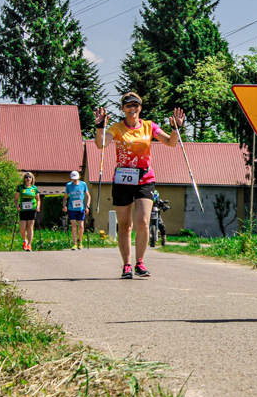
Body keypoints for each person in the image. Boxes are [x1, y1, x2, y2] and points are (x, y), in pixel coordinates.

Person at [94, 93, 185, 279]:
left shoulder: (149, 126)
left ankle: (140, 262)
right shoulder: (117, 127)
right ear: (123, 109)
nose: (132, 109)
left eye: (135, 105)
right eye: (128, 106)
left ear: (140, 108)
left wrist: (176, 128)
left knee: (143, 222)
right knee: (125, 225)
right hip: (123, 178)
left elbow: (171, 143)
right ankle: (127, 265)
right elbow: (100, 144)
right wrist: (99, 126)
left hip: (145, 178)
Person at [62, 170, 90, 250]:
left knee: (81, 226)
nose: (74, 180)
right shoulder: (69, 185)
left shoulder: (83, 184)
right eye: (73, 179)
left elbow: (88, 196)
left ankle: (80, 240)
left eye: (76, 179)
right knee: (73, 225)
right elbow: (65, 197)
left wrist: (87, 206)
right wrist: (64, 206)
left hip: (81, 208)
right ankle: (74, 243)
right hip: (72, 208)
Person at [14, 172, 41, 251]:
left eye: (29, 177)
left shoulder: (34, 188)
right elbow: (16, 199)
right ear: (24, 179)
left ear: (32, 179)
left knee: (30, 226)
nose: (28, 178)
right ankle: (24, 240)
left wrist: (38, 206)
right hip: (23, 209)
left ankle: (29, 244)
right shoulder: (20, 187)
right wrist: (17, 206)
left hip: (32, 209)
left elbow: (38, 199)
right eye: (26, 177)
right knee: (22, 227)